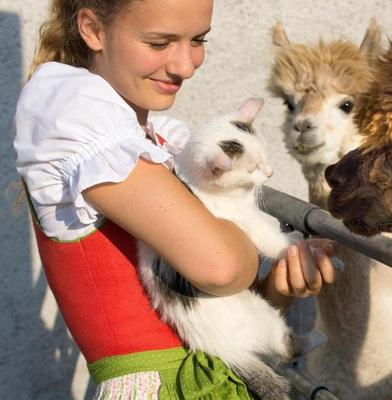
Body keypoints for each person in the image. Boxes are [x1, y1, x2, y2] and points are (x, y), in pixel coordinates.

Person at [13, 0, 337, 398]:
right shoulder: (75, 115)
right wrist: (252, 238)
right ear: (93, 30)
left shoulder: (155, 137)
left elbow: (220, 296)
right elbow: (220, 266)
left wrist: (276, 287)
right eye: (160, 42)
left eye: (198, 40)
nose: (185, 66)